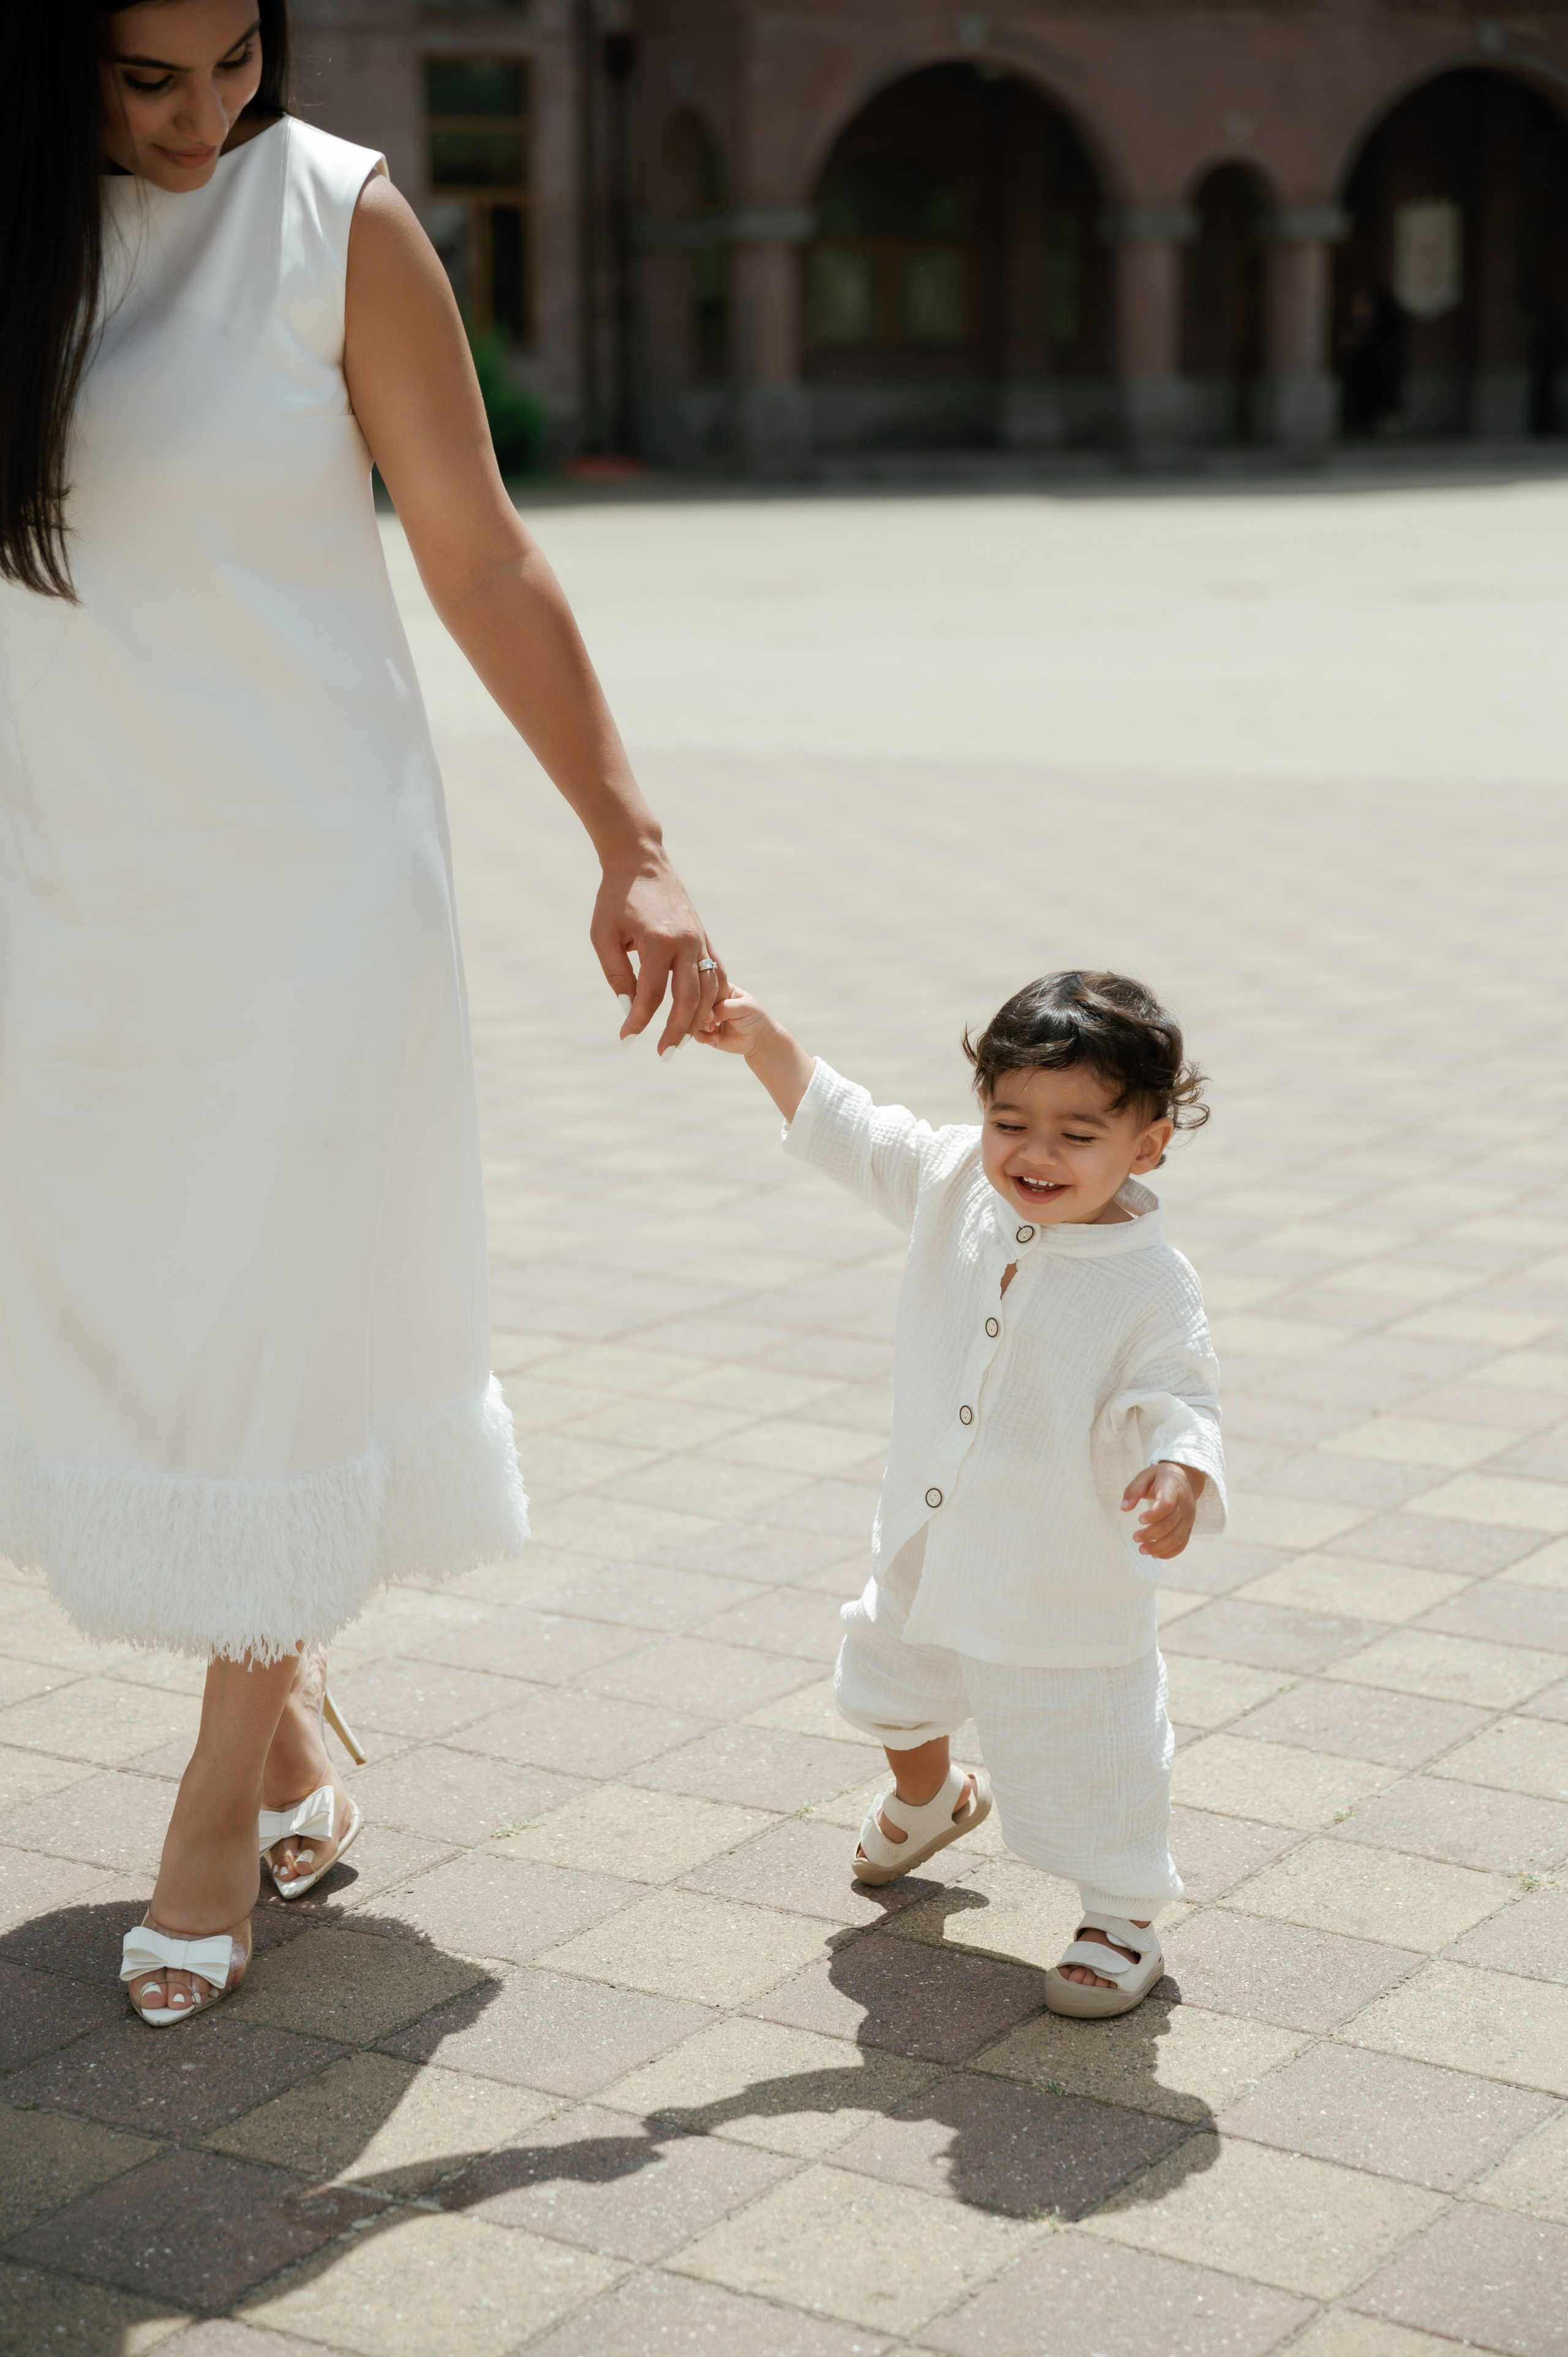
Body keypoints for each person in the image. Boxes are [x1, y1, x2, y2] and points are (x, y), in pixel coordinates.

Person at [0, 0, 725, 2026]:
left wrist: (632, 839)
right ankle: (293, 1703)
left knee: (275, 1317)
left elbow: (481, 558)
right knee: (132, 1323)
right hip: (70, 893)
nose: (201, 115)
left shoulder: (334, 218)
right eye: (142, 73)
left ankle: (218, 1792)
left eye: (236, 60)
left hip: (316, 889)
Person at [700, 971, 1224, 2018]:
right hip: (930, 1534)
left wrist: (1179, 1469)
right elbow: (850, 1124)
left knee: (1088, 1740)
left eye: (1078, 1136)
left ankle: (1121, 1910)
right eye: (1008, 1121)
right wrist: (764, 1040)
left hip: (1056, 1570)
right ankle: (929, 1795)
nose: (1034, 1155)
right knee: (889, 1679)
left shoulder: (1150, 1281)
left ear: (1149, 1145)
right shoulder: (952, 1184)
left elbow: (1178, 1392)